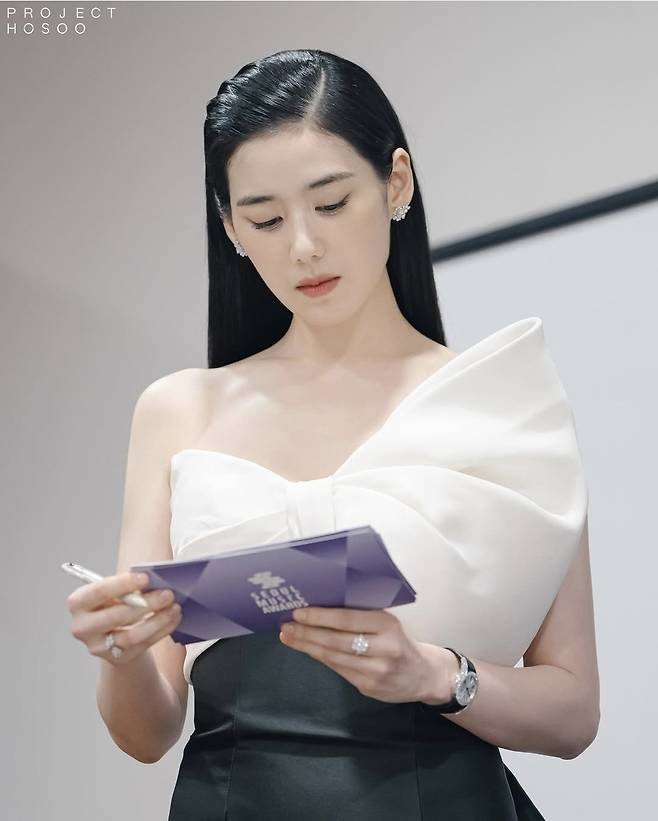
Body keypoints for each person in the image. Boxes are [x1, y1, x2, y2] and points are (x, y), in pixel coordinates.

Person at [66, 49, 600, 820]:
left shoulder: (501, 402)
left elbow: (574, 709)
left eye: (331, 202)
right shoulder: (178, 408)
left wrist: (434, 674)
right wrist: (119, 650)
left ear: (396, 182)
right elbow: (147, 732)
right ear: (231, 227)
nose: (303, 246)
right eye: (265, 219)